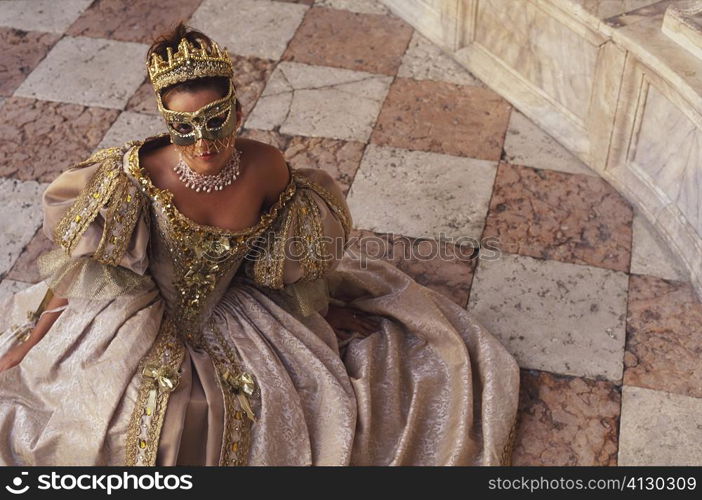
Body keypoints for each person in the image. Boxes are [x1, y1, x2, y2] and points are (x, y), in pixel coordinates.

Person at [0, 23, 520, 466]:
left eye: (214, 120)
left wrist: (313, 308)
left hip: (236, 309)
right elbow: (86, 270)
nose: (202, 143)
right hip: (138, 314)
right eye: (182, 129)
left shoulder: (268, 168)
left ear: (239, 110)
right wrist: (36, 333)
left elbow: (273, 253)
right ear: (164, 121)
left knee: (256, 413)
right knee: (132, 425)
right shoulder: (133, 177)